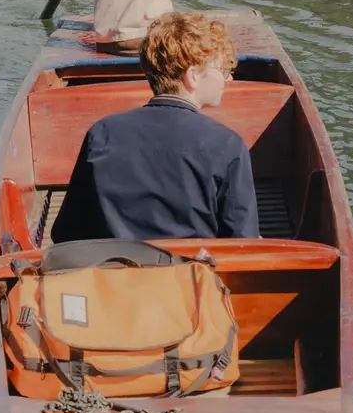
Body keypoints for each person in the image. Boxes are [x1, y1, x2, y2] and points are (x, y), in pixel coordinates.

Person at [51, 13, 260, 242]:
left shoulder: (102, 133)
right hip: (189, 275)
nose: (228, 79)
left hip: (112, 273)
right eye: (223, 70)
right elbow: (242, 243)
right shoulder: (227, 145)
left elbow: (65, 233)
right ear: (192, 77)